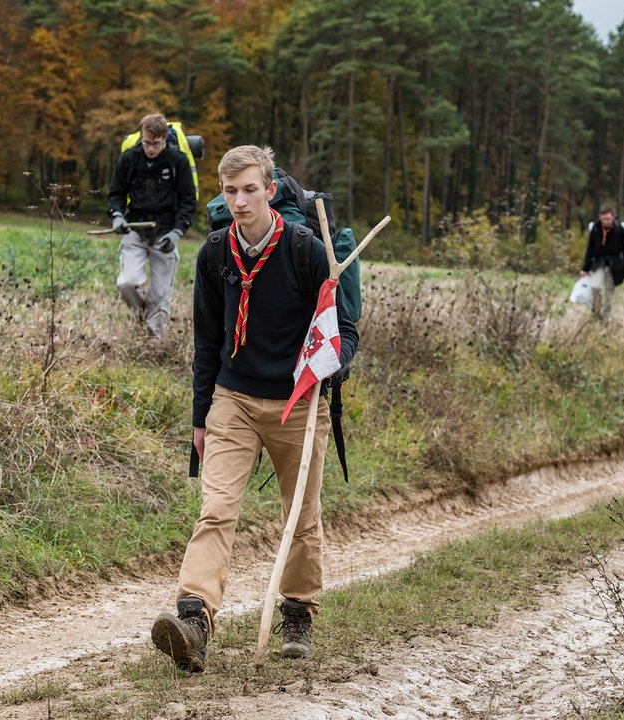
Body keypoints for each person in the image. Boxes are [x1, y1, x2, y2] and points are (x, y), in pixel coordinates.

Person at [151, 145, 358, 671]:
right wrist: (201, 417)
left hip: (296, 401)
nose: (239, 201)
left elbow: (344, 329)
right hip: (233, 399)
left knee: (301, 516)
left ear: (270, 190)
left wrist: (331, 366)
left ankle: (297, 612)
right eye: (229, 191)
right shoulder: (215, 253)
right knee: (215, 511)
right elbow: (206, 341)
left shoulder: (307, 251)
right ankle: (194, 620)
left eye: (249, 189)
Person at [108, 113, 198, 339]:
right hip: (134, 230)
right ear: (141, 137)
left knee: (160, 295)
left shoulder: (178, 161)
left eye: (156, 143)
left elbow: (188, 200)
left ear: (164, 139)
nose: (150, 148)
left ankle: (152, 344)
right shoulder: (129, 159)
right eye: (147, 142)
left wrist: (177, 233)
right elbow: (116, 193)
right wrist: (117, 215)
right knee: (126, 283)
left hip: (166, 233)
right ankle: (140, 316)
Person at [580, 206, 624, 321]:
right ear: (600, 217)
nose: (606, 221)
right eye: (604, 219)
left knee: (609, 294)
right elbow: (590, 249)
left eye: (608, 219)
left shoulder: (621, 231)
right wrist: (585, 268)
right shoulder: (595, 229)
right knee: (595, 287)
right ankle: (595, 315)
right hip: (598, 263)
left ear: (613, 217)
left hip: (614, 266)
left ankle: (606, 320)